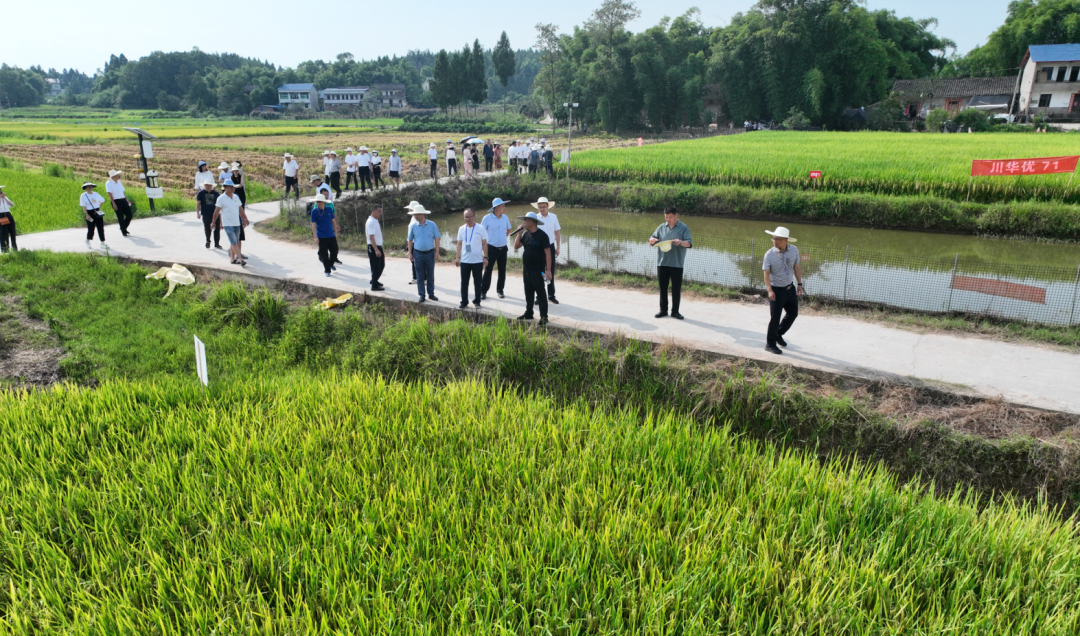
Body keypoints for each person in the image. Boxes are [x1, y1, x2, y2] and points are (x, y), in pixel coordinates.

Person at [762, 226, 803, 355]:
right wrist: (769, 290)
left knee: (793, 313)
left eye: (778, 239)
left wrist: (800, 284)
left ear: (786, 240)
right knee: (775, 318)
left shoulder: (794, 250)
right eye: (773, 239)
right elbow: (766, 274)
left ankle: (778, 333)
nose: (775, 241)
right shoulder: (769, 254)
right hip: (776, 290)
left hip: (790, 288)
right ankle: (770, 344)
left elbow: (797, 267)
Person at [648, 206, 693, 320]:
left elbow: (689, 243)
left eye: (670, 217)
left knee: (676, 289)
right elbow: (653, 238)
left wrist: (681, 242)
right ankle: (663, 310)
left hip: (676, 263)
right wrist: (652, 240)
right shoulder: (661, 227)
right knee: (663, 287)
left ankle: (675, 312)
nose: (668, 219)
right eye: (666, 217)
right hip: (662, 262)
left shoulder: (683, 228)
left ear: (676, 215)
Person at [513, 211, 551, 326]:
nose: (524, 222)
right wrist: (519, 233)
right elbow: (516, 246)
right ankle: (529, 312)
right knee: (528, 292)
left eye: (525, 220)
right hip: (526, 269)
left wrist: (548, 270)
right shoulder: (526, 234)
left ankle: (544, 316)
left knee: (540, 293)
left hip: (538, 269)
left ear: (531, 221)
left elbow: (548, 253)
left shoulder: (542, 236)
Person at [454, 208, 488, 309]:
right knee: (464, 282)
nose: (467, 219)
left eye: (469, 216)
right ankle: (464, 301)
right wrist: (457, 257)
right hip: (465, 260)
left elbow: (484, 244)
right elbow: (459, 244)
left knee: (477, 282)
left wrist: (485, 257)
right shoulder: (461, 229)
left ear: (474, 216)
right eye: (466, 217)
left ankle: (477, 301)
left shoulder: (481, 228)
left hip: (477, 261)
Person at [211, 179, 249, 267]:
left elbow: (240, 209)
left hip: (236, 223)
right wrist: (213, 222)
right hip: (227, 224)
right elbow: (216, 212)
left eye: (233, 187)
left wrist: (244, 219)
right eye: (230, 187)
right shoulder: (221, 198)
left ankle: (232, 259)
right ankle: (240, 259)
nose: (233, 188)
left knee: (234, 242)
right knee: (234, 242)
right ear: (225, 188)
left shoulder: (236, 197)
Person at [407, 204, 441, 302]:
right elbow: (410, 240)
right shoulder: (413, 226)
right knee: (420, 275)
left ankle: (431, 294)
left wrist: (437, 252)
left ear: (422, 214)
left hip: (430, 253)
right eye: (414, 214)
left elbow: (437, 238)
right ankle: (422, 295)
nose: (415, 216)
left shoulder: (432, 225)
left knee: (430, 275)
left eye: (417, 214)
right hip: (418, 253)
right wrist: (410, 253)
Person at [480, 197, 512, 300]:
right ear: (496, 207)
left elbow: (508, 229)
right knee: (488, 270)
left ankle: (500, 290)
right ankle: (483, 291)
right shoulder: (487, 218)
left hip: (503, 249)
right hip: (491, 249)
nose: (504, 207)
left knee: (502, 270)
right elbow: (481, 233)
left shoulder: (505, 218)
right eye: (503, 206)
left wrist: (502, 238)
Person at [532, 197, 561, 304]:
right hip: (538, 248)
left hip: (550, 247)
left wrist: (558, 248)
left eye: (544, 207)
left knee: (550, 272)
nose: (542, 209)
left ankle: (551, 295)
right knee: (540, 272)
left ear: (548, 206)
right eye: (540, 207)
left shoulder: (553, 217)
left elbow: (557, 233)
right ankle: (539, 297)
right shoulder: (534, 218)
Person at [310, 193, 340, 277]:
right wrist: (315, 237)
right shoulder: (314, 212)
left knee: (335, 251)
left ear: (324, 202)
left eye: (320, 202)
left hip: (331, 234)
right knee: (324, 254)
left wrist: (335, 232)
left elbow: (333, 221)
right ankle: (327, 270)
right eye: (317, 202)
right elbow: (313, 225)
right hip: (321, 236)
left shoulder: (329, 209)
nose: (318, 203)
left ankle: (330, 264)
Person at [105, 169, 133, 237]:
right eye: (117, 175)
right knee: (120, 217)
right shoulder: (108, 183)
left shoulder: (119, 182)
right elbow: (110, 194)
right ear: (113, 176)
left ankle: (123, 227)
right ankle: (124, 231)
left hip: (123, 200)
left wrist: (126, 200)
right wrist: (113, 203)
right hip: (116, 201)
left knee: (129, 215)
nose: (118, 176)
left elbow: (122, 192)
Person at [80, 182, 107, 249]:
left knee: (100, 227)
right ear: (86, 188)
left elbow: (102, 200)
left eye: (91, 186)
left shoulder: (96, 194)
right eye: (88, 187)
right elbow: (84, 206)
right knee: (91, 227)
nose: (90, 188)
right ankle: (87, 240)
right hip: (89, 212)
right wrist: (87, 214)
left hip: (97, 211)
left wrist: (98, 206)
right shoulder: (83, 195)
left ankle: (102, 242)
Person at [196, 181, 222, 250]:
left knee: (217, 229)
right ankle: (208, 241)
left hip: (216, 214)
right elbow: (198, 203)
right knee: (207, 228)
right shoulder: (201, 193)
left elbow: (220, 204)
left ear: (212, 186)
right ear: (204, 185)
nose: (208, 186)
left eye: (209, 185)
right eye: (206, 185)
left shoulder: (216, 193)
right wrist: (198, 213)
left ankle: (217, 243)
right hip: (206, 214)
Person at [366, 205, 385, 290]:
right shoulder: (371, 222)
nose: (381, 213)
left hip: (377, 246)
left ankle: (374, 280)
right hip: (374, 247)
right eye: (379, 211)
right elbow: (371, 237)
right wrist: (376, 250)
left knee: (381, 265)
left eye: (381, 211)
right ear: (373, 211)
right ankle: (374, 285)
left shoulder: (375, 220)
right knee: (376, 266)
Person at [0, 186, 16, 253]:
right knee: (3, 233)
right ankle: (5, 249)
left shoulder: (4, 197)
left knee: (12, 231)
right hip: (1, 215)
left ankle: (14, 247)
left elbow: (12, 204)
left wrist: (4, 198)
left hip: (8, 214)